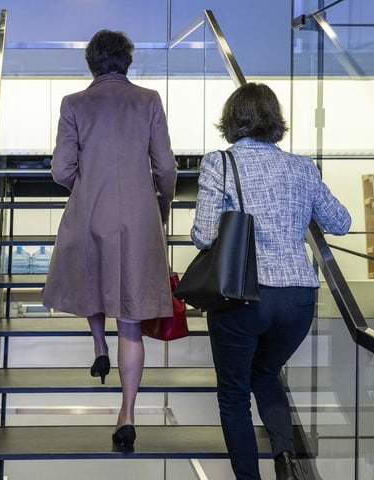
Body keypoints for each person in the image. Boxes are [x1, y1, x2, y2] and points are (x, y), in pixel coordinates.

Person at [191, 83, 351, 480]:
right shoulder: (302, 166)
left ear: (231, 120)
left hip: (243, 295)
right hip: (298, 299)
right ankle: (286, 460)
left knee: (233, 395)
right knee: (265, 374)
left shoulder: (220, 162)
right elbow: (341, 222)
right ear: (274, 120)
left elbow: (205, 234)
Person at [42, 29, 177, 452]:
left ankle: (99, 344)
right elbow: (167, 166)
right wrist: (162, 205)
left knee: (91, 279)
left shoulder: (74, 104)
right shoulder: (149, 100)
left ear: (91, 64)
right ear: (127, 61)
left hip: (90, 211)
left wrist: (86, 183)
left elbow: (61, 169)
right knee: (131, 321)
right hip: (139, 218)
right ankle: (127, 414)